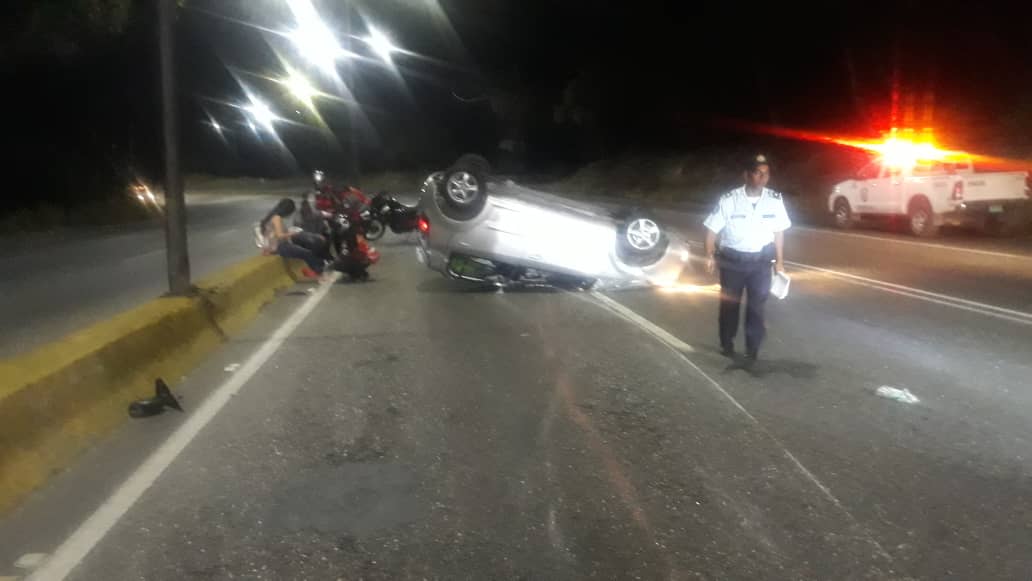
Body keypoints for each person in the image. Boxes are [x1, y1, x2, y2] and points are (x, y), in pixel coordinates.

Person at [703, 154, 791, 365]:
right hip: (732, 262)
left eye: (766, 174)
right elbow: (712, 229)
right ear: (746, 175)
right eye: (758, 173)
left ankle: (753, 349)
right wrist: (709, 254)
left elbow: (779, 232)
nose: (763, 178)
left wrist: (779, 261)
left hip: (761, 263)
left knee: (756, 307)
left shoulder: (775, 200)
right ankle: (727, 343)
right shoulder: (729, 199)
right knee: (729, 306)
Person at [259, 198, 332, 279]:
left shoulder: (271, 217)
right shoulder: (277, 218)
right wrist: (293, 233)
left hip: (276, 246)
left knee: (305, 249)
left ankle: (319, 270)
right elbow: (279, 235)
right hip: (280, 247)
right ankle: (320, 273)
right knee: (307, 254)